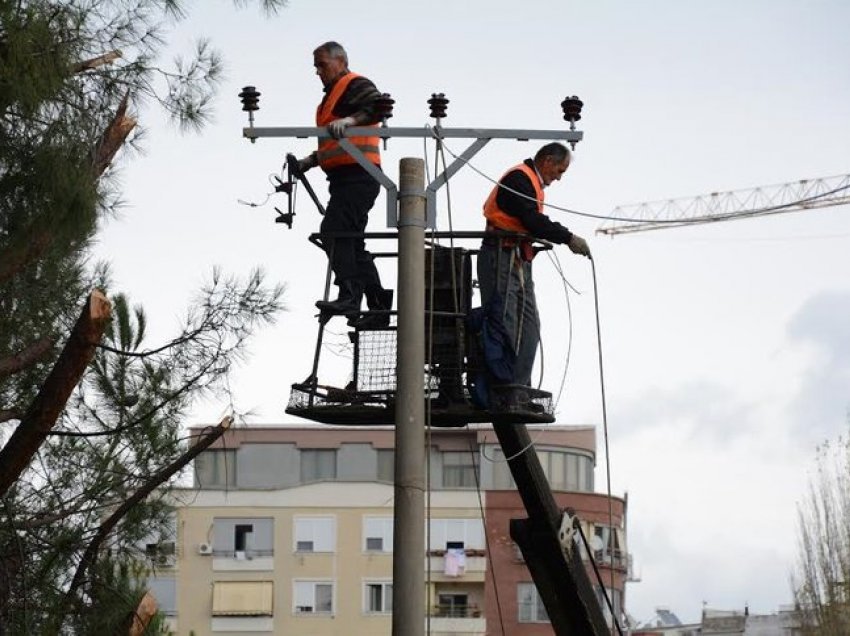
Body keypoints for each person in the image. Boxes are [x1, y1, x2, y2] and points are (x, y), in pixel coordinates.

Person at [477, 142, 591, 387]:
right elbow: (532, 220)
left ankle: (518, 386)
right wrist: (567, 238)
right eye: (560, 171)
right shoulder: (519, 179)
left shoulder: (530, 182)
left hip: (517, 257)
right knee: (504, 321)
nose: (559, 178)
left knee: (529, 325)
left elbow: (531, 220)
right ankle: (502, 386)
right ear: (547, 161)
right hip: (500, 255)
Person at [297, 41, 392, 329]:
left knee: (334, 233)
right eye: (315, 66)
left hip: (359, 176)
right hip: (344, 180)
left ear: (340, 61)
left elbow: (377, 108)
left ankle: (350, 294)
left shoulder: (355, 84)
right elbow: (334, 142)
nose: (318, 71)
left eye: (321, 64)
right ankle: (377, 306)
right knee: (351, 242)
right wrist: (310, 161)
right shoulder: (329, 100)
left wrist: (351, 120)